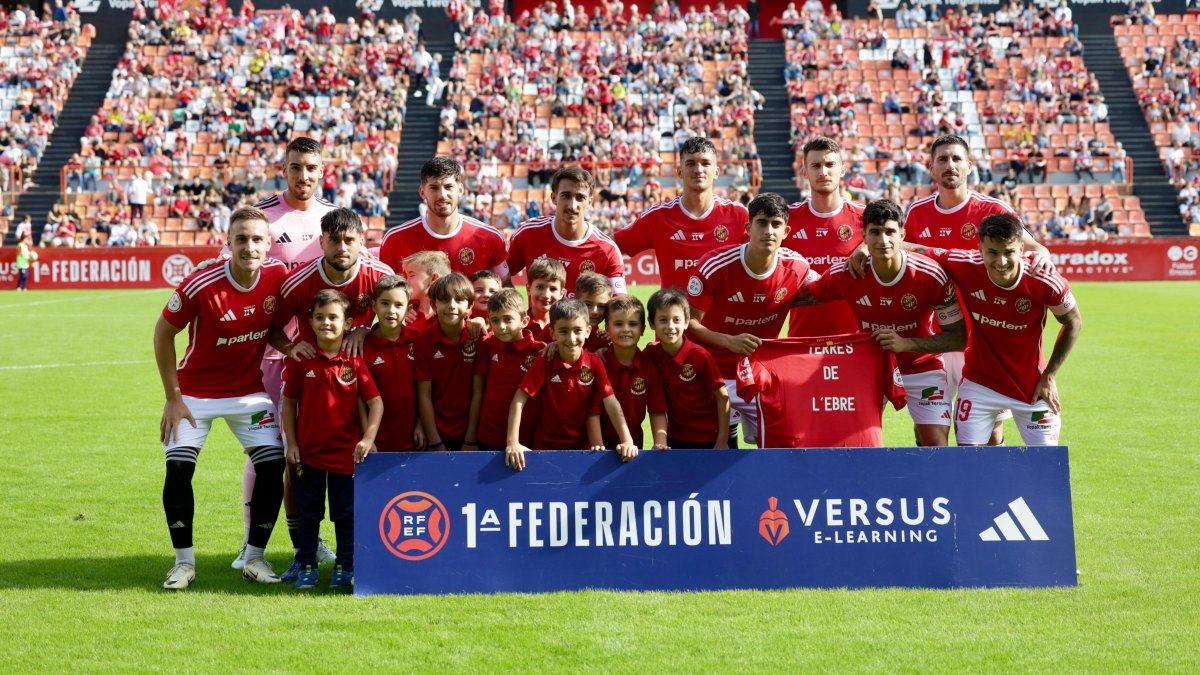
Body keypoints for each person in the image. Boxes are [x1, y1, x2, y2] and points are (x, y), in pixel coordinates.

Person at [865, 134, 1054, 445]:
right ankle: (940, 488)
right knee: (929, 431)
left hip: (982, 341)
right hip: (935, 336)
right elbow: (896, 252)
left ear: (969, 165)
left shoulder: (992, 209)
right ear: (931, 168)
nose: (949, 165)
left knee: (990, 430)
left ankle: (989, 492)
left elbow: (1035, 248)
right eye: (942, 159)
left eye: (956, 159)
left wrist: (1043, 259)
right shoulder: (917, 212)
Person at [153, 208, 289, 590]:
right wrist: (173, 398)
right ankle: (183, 564)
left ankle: (255, 557)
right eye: (241, 239)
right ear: (227, 243)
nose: (249, 247)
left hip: (248, 393)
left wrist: (291, 348)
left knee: (272, 466)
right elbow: (163, 334)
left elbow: (273, 327)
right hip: (193, 394)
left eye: (257, 239)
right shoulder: (201, 283)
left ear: (268, 244)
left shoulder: (278, 276)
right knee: (179, 470)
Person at [231, 137, 338, 571]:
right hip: (274, 354)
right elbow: (237, 273)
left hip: (325, 354)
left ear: (322, 171)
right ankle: (250, 544)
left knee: (314, 450)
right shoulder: (261, 217)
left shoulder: (334, 219)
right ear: (285, 168)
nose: (304, 176)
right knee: (267, 450)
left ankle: (306, 542)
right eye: (296, 167)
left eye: (312, 168)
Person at [269, 207, 392, 580]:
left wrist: (365, 331)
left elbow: (399, 313)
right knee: (298, 471)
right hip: (307, 380)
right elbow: (272, 329)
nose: (342, 247)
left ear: (361, 242)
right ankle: (301, 553)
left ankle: (354, 557)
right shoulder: (296, 283)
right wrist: (292, 350)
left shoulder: (380, 277)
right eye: (334, 240)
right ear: (321, 241)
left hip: (361, 377)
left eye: (349, 240)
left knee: (349, 488)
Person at [907, 214, 1082, 446]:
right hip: (979, 385)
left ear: (1021, 248)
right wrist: (868, 246)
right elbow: (921, 250)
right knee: (970, 465)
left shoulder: (1044, 279)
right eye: (992, 253)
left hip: (1033, 386)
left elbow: (1074, 322)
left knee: (1046, 467)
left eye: (1009, 252)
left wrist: (1049, 375)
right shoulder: (965, 264)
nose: (1001, 261)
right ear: (980, 249)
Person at [804, 199, 967, 446]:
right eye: (875, 233)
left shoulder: (929, 274)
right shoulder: (847, 274)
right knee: (854, 445)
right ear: (863, 237)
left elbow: (958, 337)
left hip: (920, 366)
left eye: (890, 232)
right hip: (868, 368)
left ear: (902, 234)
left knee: (936, 447)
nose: (883, 241)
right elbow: (802, 297)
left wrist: (906, 344)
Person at [685, 193, 817, 446]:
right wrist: (728, 341)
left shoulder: (797, 267)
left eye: (776, 224)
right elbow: (688, 324)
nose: (769, 231)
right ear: (748, 228)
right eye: (762, 222)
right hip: (714, 375)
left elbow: (827, 290)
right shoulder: (716, 265)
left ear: (786, 231)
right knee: (720, 452)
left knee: (783, 447)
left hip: (762, 376)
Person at [281, 289, 383, 589]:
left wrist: (368, 437)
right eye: (320, 317)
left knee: (345, 514)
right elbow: (288, 402)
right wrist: (293, 444)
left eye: (333, 317)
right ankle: (308, 564)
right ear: (310, 322)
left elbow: (375, 402)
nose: (326, 322)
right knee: (309, 512)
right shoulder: (303, 361)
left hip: (345, 456)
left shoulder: (354, 362)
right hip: (309, 454)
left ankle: (345, 565)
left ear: (347, 322)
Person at [505, 299, 638, 470]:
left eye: (577, 331)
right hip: (544, 447)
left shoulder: (595, 362)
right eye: (564, 331)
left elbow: (611, 403)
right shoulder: (545, 360)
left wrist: (627, 440)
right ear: (553, 333)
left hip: (582, 449)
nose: (571, 338)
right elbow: (519, 400)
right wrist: (513, 442)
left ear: (588, 331)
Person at [613, 137, 749, 292]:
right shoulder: (658, 217)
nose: (698, 169)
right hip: (676, 316)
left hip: (722, 316)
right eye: (691, 163)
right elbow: (610, 247)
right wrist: (617, 289)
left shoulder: (739, 215)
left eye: (705, 163)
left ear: (717, 171)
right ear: (679, 172)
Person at [379, 156, 509, 281]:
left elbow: (506, 289)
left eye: (448, 187)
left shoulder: (489, 237)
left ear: (460, 190)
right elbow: (384, 295)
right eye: (434, 188)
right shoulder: (395, 240)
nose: (442, 195)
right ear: (422, 192)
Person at [786, 136, 865, 337]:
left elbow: (898, 245)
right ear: (804, 172)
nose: (823, 172)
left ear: (842, 170)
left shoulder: (865, 218)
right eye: (816, 165)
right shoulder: (786, 219)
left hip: (857, 341)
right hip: (802, 341)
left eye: (830, 164)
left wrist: (867, 246)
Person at [508, 166, 627, 298]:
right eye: (566, 196)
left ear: (589, 202)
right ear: (553, 198)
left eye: (580, 197)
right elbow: (498, 277)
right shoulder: (528, 234)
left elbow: (620, 305)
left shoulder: (607, 249)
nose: (572, 205)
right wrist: (515, 308)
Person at [644, 288, 732, 449]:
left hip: (709, 439)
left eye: (676, 320)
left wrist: (722, 439)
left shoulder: (700, 356)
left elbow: (723, 397)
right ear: (651, 323)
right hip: (674, 438)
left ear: (686, 322)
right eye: (663, 320)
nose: (670, 326)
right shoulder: (651, 353)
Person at [470, 288, 546, 451]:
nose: (501, 326)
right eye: (495, 321)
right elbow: (479, 391)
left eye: (507, 319)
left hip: (525, 440)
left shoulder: (541, 351)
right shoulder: (487, 346)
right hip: (488, 436)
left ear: (524, 321)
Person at [414, 273, 483, 452]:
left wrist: (470, 438)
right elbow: (424, 396)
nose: (451, 306)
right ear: (434, 305)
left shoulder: (478, 337)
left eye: (459, 300)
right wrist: (435, 441)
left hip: (472, 434)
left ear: (470, 306)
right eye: (444, 300)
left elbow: (478, 392)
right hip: (436, 434)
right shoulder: (423, 341)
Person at [362, 275, 424, 453]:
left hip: (414, 439)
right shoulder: (362, 347)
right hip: (376, 442)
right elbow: (359, 399)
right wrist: (367, 436)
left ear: (408, 309)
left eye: (398, 305)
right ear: (374, 306)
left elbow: (427, 389)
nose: (391, 311)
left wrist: (421, 424)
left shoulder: (418, 340)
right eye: (384, 303)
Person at [599, 295, 669, 449]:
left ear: (642, 329)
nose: (626, 330)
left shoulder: (649, 367)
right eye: (618, 324)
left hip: (633, 449)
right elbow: (591, 412)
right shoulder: (598, 362)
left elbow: (657, 411)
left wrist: (660, 443)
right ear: (607, 328)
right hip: (596, 448)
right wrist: (596, 444)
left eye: (632, 324)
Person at [401, 250, 451, 335]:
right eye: (406, 276)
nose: (406, 281)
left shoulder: (455, 310)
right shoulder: (407, 314)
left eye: (411, 275)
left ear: (433, 278)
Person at [526, 257, 567, 340]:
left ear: (561, 293)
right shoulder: (517, 324)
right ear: (528, 289)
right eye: (540, 287)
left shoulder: (567, 326)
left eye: (553, 289)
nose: (546, 295)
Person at [575, 271, 614, 353]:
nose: (594, 311)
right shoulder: (556, 330)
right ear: (575, 301)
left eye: (602, 306)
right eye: (588, 304)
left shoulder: (606, 340)